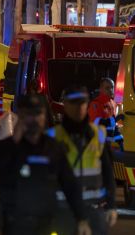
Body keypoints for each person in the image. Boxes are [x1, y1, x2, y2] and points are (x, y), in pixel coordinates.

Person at [0, 95, 91, 235]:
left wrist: (81, 218)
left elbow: (70, 185)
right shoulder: (7, 147)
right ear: (20, 117)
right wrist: (13, 142)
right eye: (28, 114)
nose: (34, 119)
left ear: (44, 116)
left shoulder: (53, 148)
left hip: (46, 224)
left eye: (38, 113)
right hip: (15, 224)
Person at [50, 85, 118, 235]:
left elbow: (107, 172)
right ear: (65, 105)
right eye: (73, 103)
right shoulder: (52, 136)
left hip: (94, 209)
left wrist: (111, 204)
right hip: (63, 210)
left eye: (82, 102)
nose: (78, 107)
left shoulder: (98, 134)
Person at [89, 78, 123, 150]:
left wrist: (120, 141)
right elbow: (96, 123)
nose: (110, 90)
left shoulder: (113, 103)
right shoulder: (95, 104)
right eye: (107, 88)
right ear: (101, 89)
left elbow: (113, 127)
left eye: (112, 87)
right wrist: (115, 119)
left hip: (108, 144)